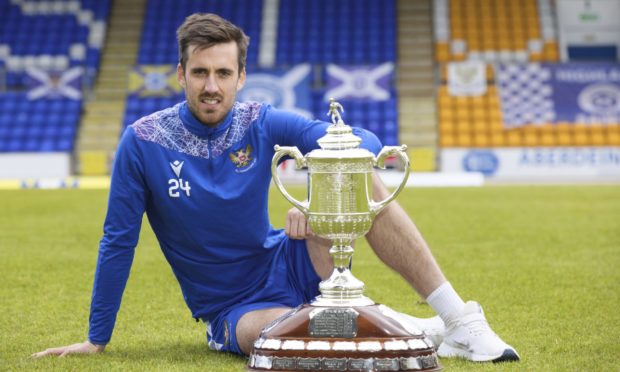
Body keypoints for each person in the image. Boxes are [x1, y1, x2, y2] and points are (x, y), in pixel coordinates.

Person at [33, 13, 519, 363]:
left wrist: (318, 197)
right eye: (200, 72)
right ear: (180, 75)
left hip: (291, 258)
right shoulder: (142, 142)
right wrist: (97, 338)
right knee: (284, 341)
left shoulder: (258, 121)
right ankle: (424, 331)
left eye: (223, 73)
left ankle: (460, 319)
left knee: (358, 176)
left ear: (241, 77)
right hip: (235, 308)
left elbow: (357, 142)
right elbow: (118, 239)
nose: (211, 86)